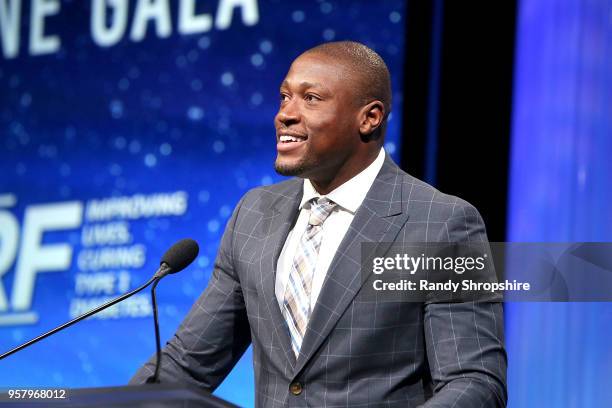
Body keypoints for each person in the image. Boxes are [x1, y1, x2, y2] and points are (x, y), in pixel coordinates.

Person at [130, 41, 507, 407]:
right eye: (284, 97)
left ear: (369, 118)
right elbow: (187, 365)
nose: (285, 114)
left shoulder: (440, 222)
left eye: (310, 99)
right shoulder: (254, 214)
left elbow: (473, 382)